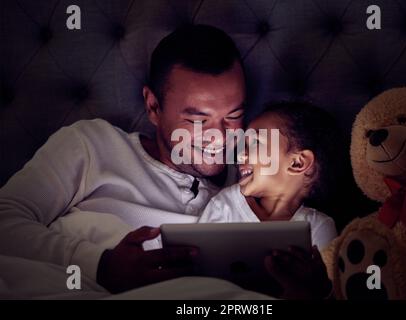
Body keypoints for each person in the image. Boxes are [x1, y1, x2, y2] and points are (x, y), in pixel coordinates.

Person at [0, 24, 246, 294]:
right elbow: (5, 220)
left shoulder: (255, 179)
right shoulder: (92, 145)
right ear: (153, 106)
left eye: (233, 117)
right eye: (197, 120)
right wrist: (101, 265)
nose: (220, 137)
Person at [199, 101, 342, 299]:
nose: (240, 154)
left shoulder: (319, 227)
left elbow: (331, 294)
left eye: (255, 143)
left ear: (297, 162)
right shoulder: (225, 205)